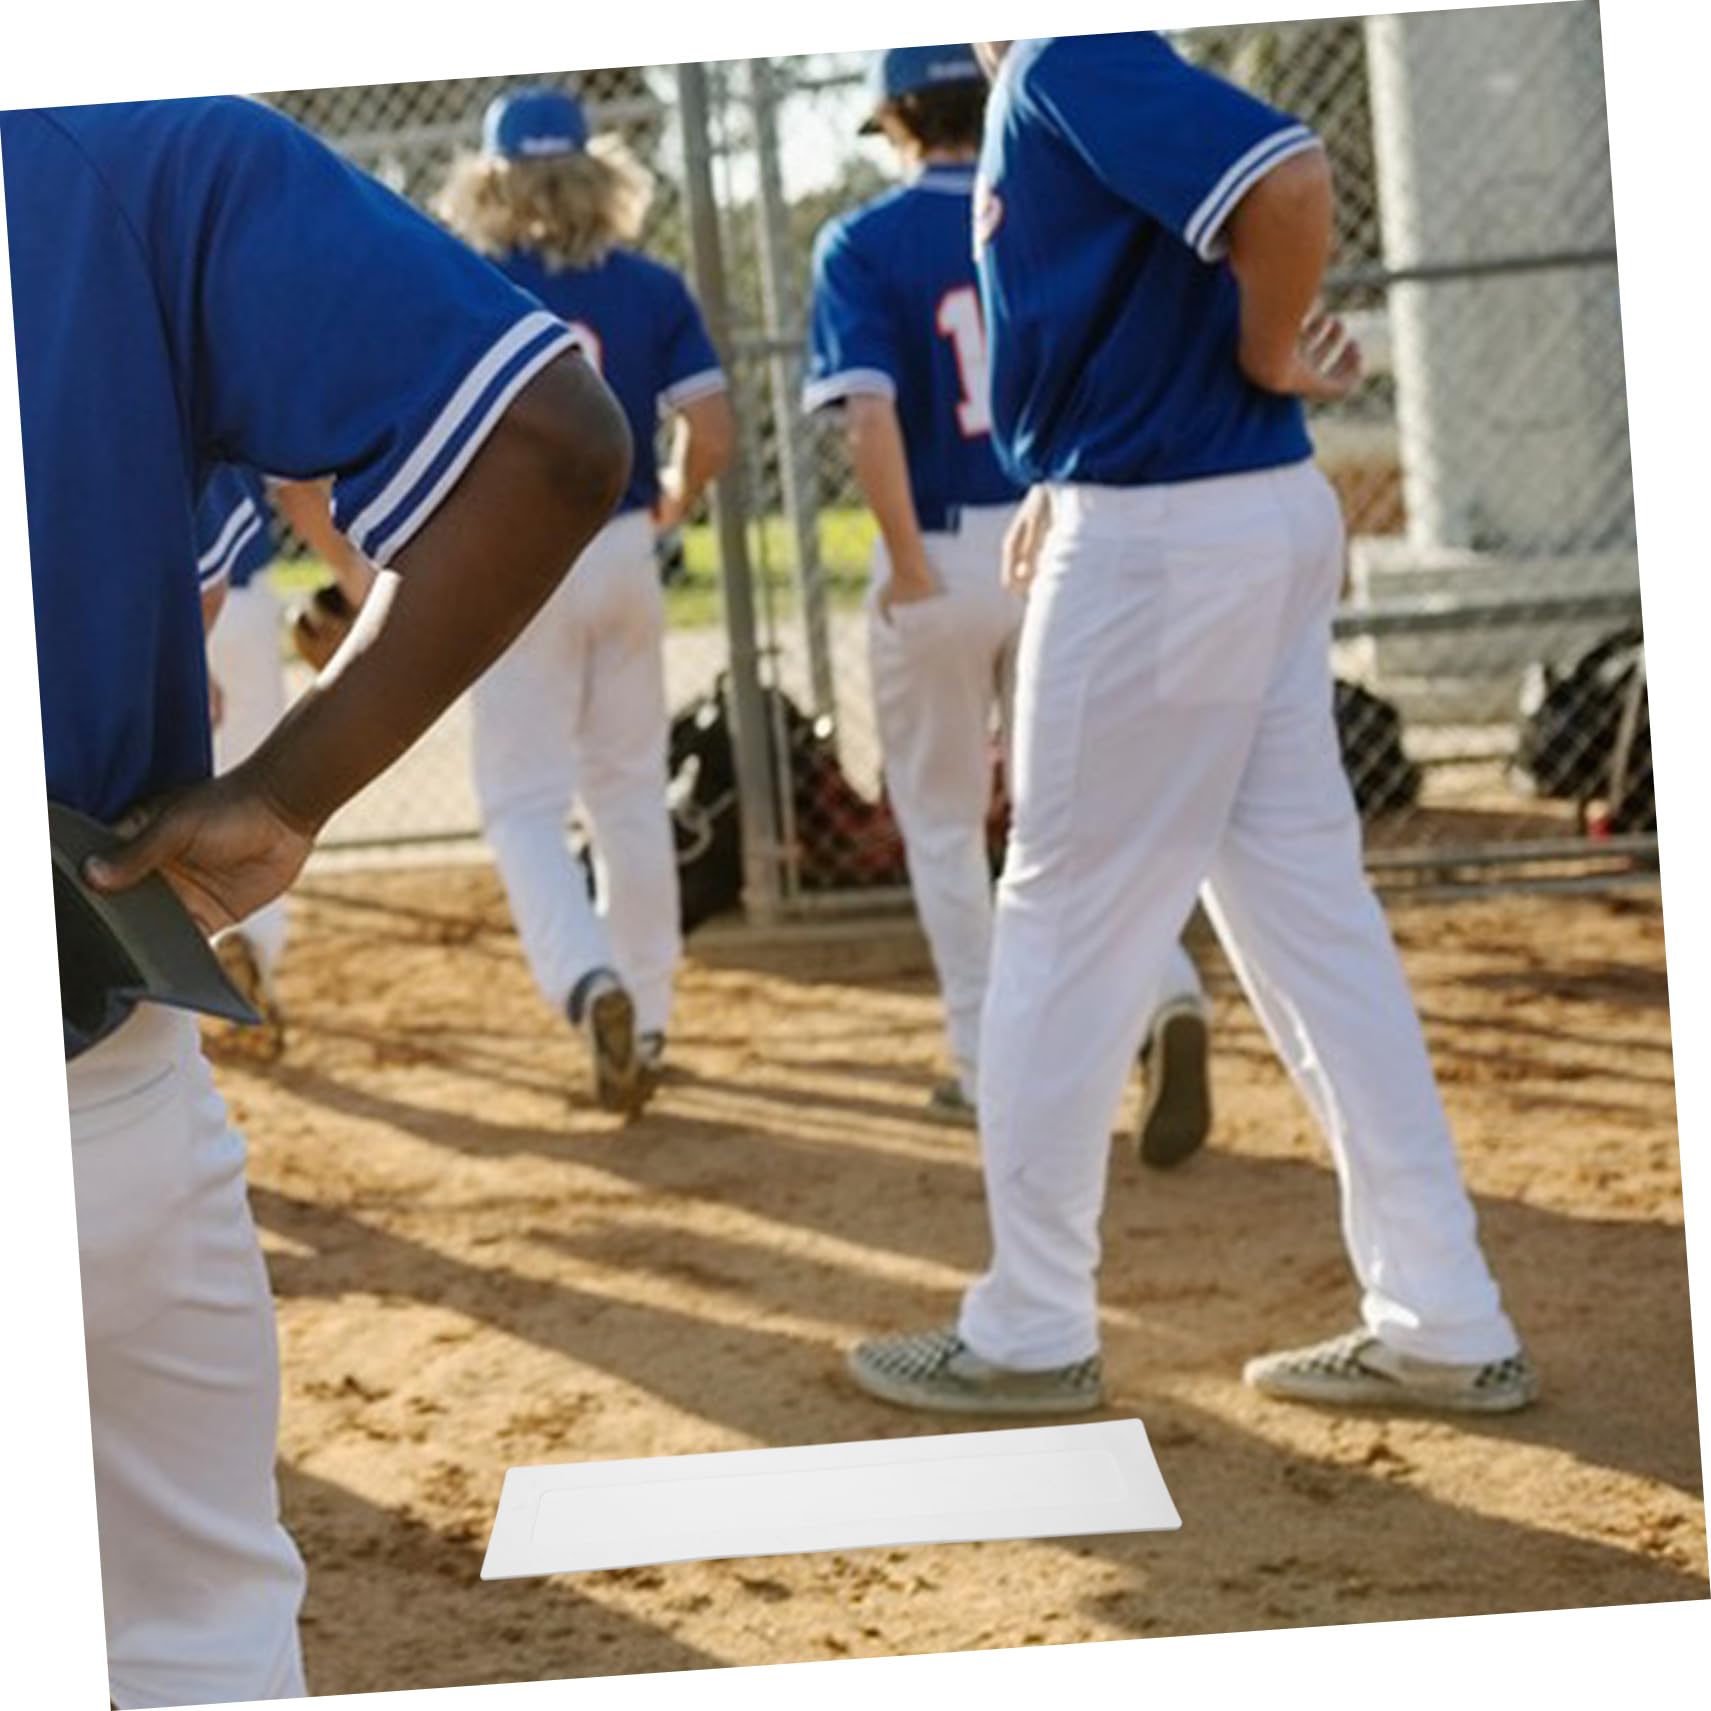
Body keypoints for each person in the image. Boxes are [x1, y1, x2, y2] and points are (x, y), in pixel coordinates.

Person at [6, 94, 630, 1706]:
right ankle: (618, 975)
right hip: (81, 1036)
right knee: (191, 1632)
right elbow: (563, 436)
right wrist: (290, 789)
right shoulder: (122, 138)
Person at [847, 34, 1538, 1418]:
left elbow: (1286, 180)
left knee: (1059, 920)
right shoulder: (1071, 61)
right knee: (1308, 922)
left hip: (1163, 541)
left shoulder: (1061, 44)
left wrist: (1264, 342)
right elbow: (1161, 281)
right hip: (1222, 510)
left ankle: (1029, 1328)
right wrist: (1073, 463)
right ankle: (1444, 1312)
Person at [804, 45, 1211, 1159]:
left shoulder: (862, 240)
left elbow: (869, 416)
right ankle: (1164, 986)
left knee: (942, 824)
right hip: (1059, 529)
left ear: (897, 120)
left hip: (936, 545)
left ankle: (989, 1066)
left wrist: (907, 563)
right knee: (1073, 806)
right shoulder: (1038, 200)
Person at [434, 86, 735, 1117]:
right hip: (622, 547)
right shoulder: (647, 285)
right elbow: (712, 429)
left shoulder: (469, 284)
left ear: (492, 181)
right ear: (598, 176)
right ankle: (646, 1016)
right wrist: (673, 499)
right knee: (627, 791)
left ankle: (586, 978)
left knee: (523, 800)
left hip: (515, 561)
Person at [196, 467, 377, 1048]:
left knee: (158, 804)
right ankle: (246, 943)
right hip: (239, 596)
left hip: (138, 606)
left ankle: (181, 973)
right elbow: (295, 486)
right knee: (255, 799)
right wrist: (355, 577)